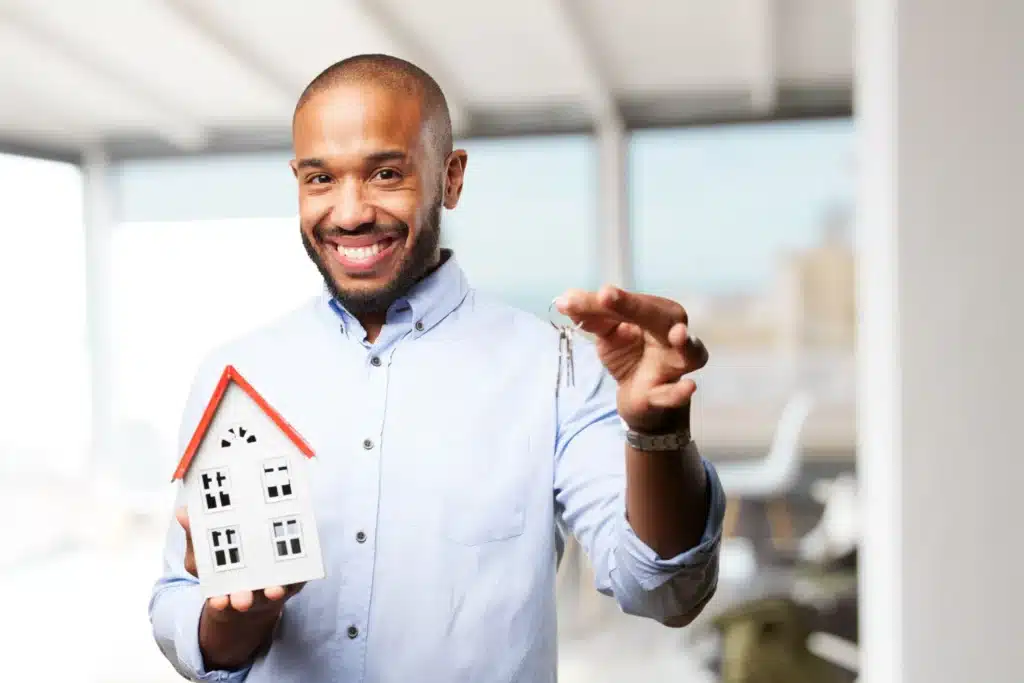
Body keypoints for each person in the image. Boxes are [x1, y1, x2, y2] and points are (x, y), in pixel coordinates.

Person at [149, 53, 726, 683]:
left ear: (450, 178)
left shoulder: (553, 369)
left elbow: (665, 592)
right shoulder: (236, 374)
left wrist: (659, 433)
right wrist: (234, 621)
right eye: (320, 180)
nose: (348, 213)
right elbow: (179, 603)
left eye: (385, 173)